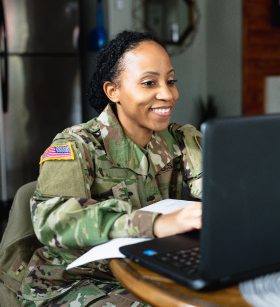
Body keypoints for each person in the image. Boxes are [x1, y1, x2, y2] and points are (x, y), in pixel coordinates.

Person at [18, 30, 203, 307]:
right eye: (149, 82)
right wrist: (156, 223)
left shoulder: (182, 138)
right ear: (112, 91)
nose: (167, 94)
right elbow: (52, 220)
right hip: (74, 281)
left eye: (171, 81)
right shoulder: (75, 145)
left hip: (149, 267)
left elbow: (223, 190)